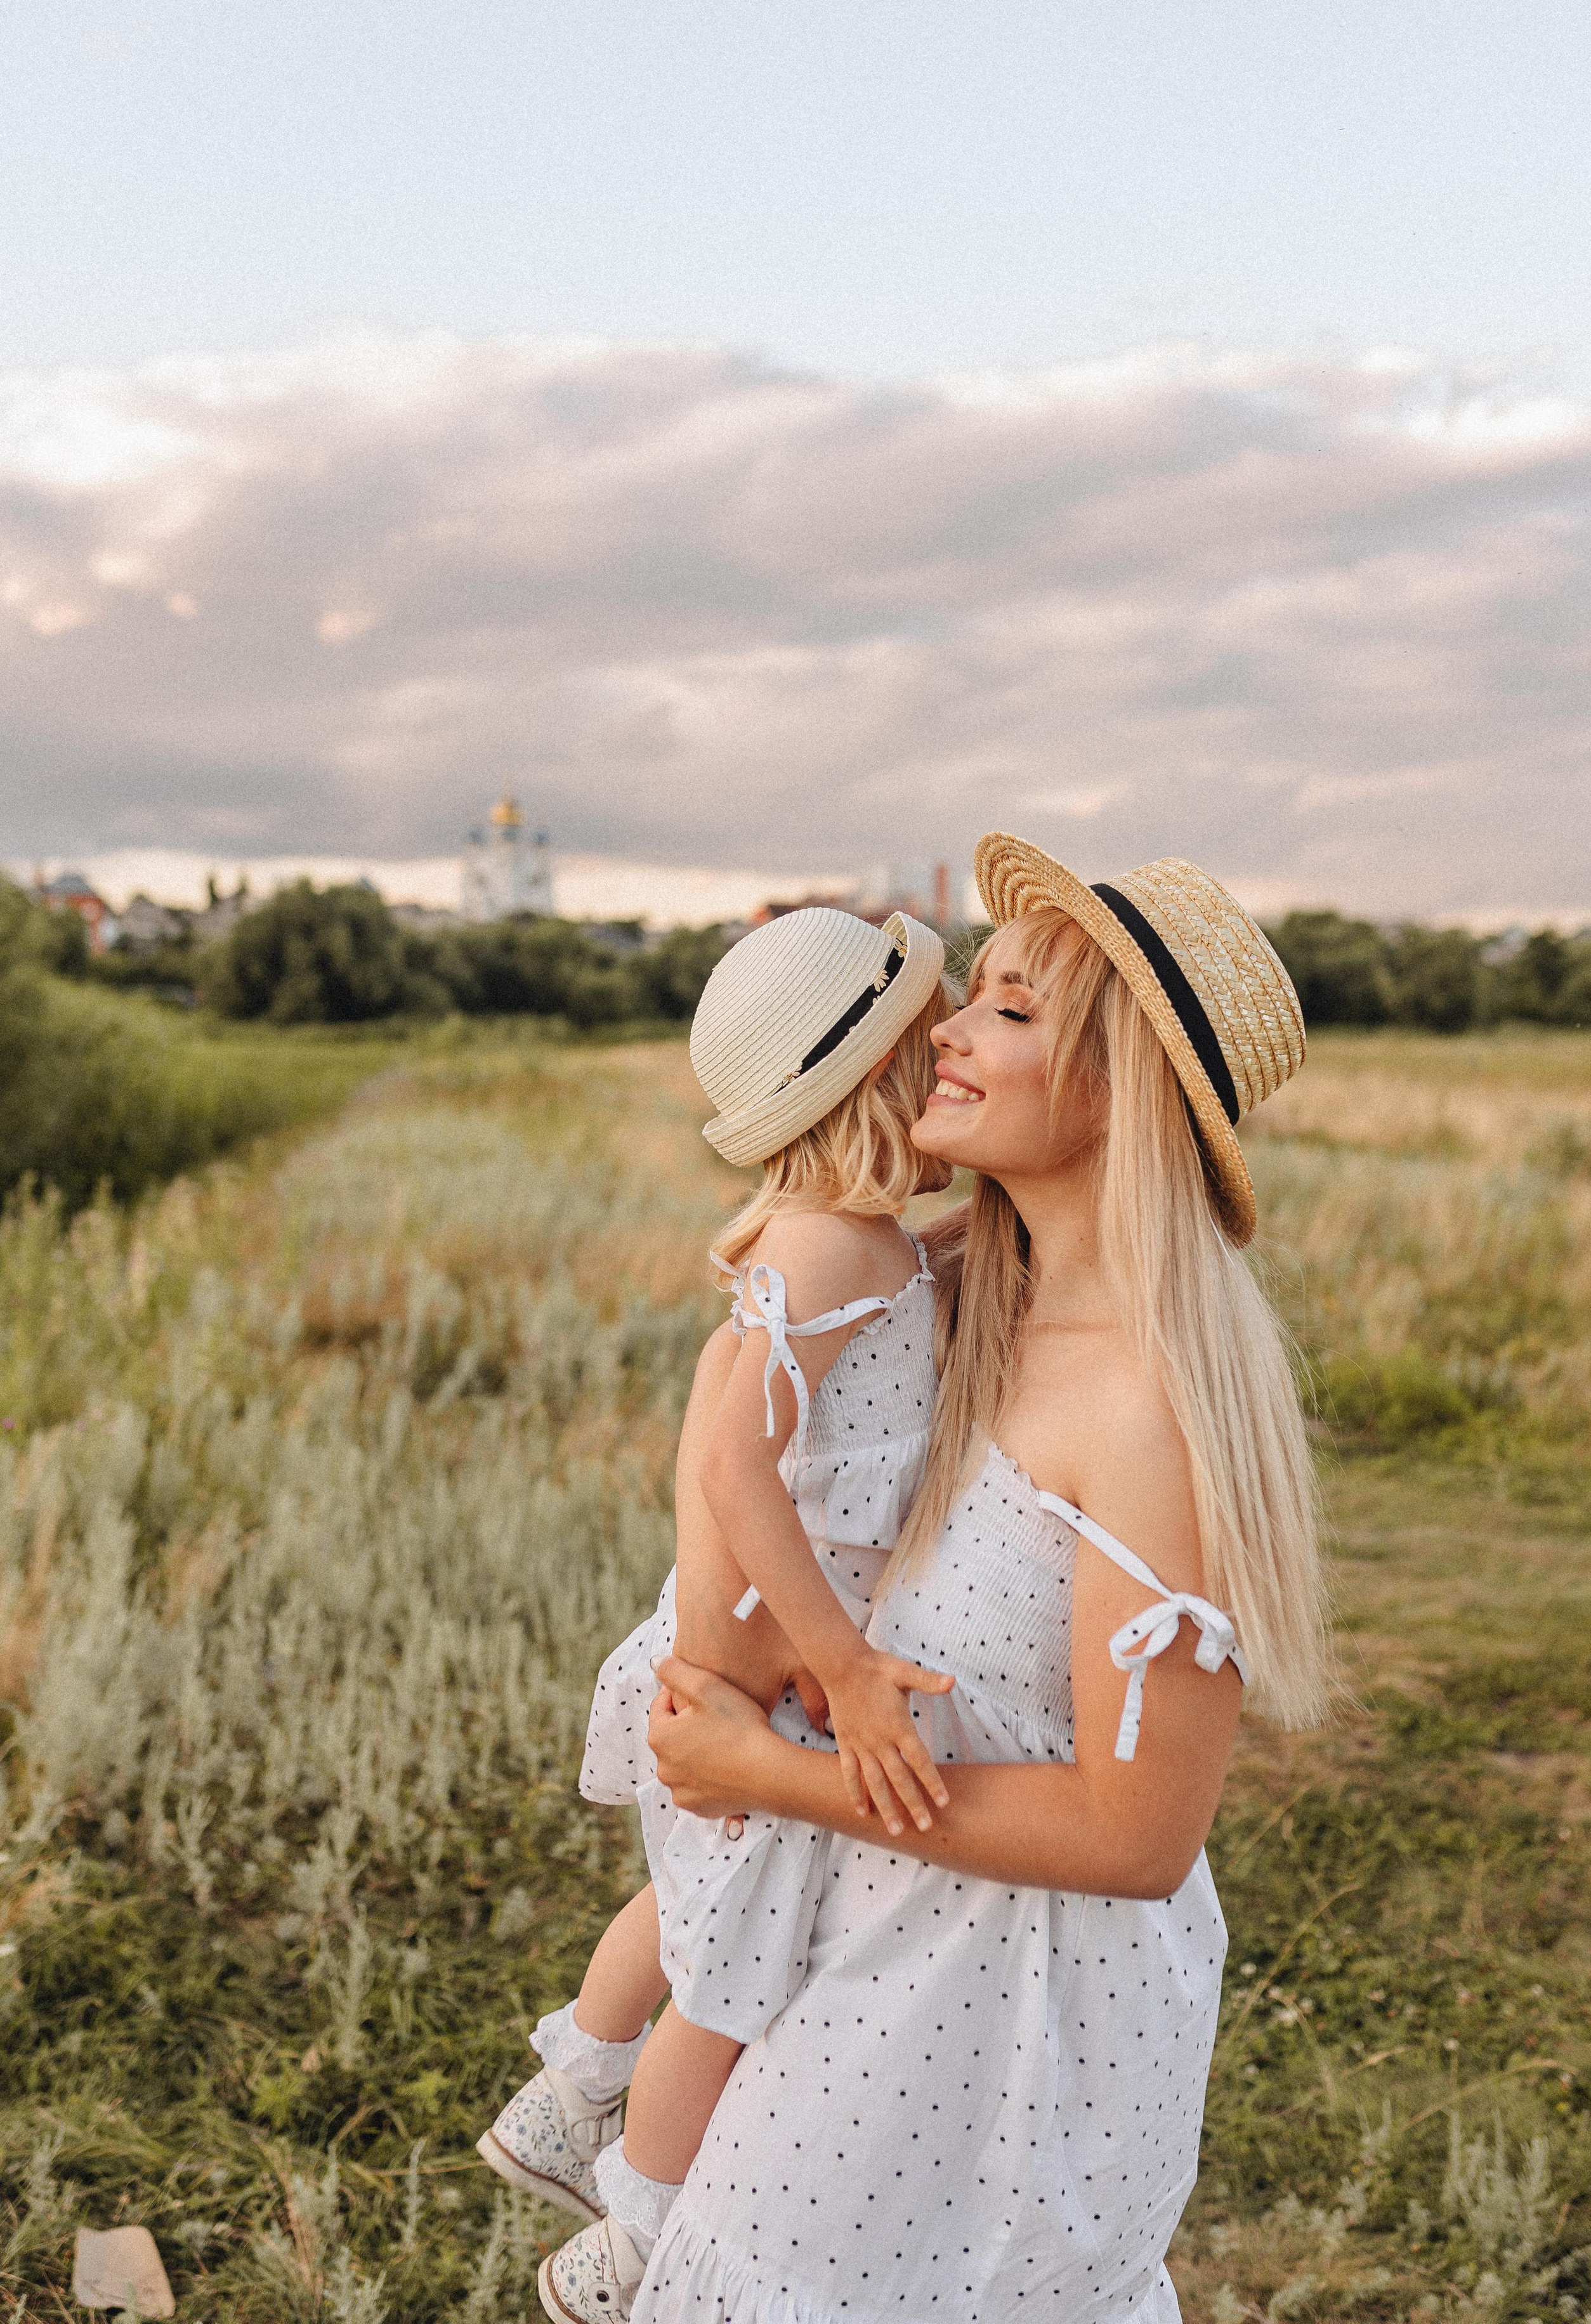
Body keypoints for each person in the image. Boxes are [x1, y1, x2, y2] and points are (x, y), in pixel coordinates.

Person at [639, 836, 1329, 2322]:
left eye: (1008, 1012)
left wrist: (763, 1767)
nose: (942, 1031)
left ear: (1115, 1087)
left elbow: (1134, 1833)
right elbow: (735, 1435)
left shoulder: (1147, 1411)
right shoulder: (937, 1301)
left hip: (1009, 2045)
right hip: (866, 1965)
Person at [472, 904, 958, 2322]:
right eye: (936, 1046)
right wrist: (840, 1662)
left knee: (697, 1912)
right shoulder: (819, 1254)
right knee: (726, 1981)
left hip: (745, 1653)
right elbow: (736, 1461)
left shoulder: (868, 1241)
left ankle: (572, 2086)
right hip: (763, 1664)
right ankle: (631, 2228)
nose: (954, 1068)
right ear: (881, 1080)